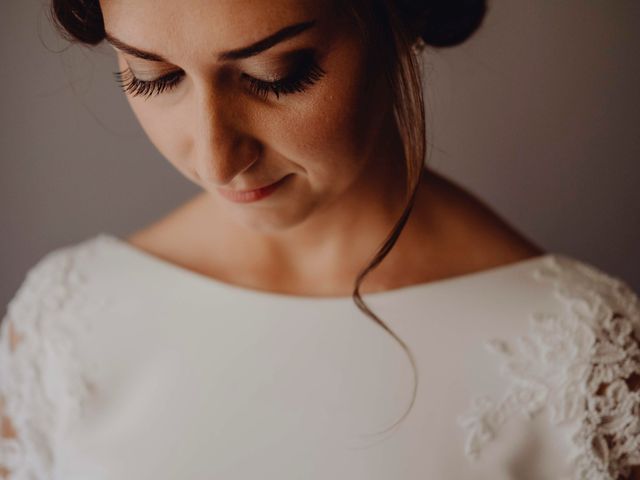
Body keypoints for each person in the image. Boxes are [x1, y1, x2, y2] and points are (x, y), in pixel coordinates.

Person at [1, 0, 639, 478]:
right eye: (153, 76)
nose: (218, 162)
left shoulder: (585, 362)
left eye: (277, 74)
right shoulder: (63, 326)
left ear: (395, 21)